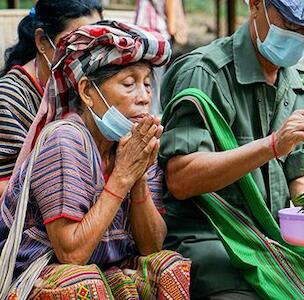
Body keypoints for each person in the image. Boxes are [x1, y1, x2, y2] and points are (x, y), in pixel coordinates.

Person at [159, 0, 304, 299]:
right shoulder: (204, 73)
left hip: (275, 241)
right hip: (212, 241)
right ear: (255, 5)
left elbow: (302, 179)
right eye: (291, 26)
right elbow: (181, 179)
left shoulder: (300, 83)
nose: (300, 38)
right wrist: (271, 146)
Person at [0, 21, 190, 298]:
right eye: (129, 84)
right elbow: (71, 254)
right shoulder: (65, 140)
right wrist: (123, 175)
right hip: (37, 274)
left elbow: (152, 245)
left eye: (147, 84)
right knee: (80, 283)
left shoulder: (133, 144)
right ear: (88, 92)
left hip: (101, 268)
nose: (144, 98)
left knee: (167, 266)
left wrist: (137, 178)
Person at [0, 0, 103, 196]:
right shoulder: (9, 99)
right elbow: (5, 186)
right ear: (42, 42)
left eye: (96, 43)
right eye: (75, 43)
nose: (87, 54)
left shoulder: (86, 90)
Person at [134, 0, 188, 116]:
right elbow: (171, 24)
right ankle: (152, 117)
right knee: (155, 81)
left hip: (145, 36)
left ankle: (150, 116)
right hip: (156, 37)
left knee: (150, 81)